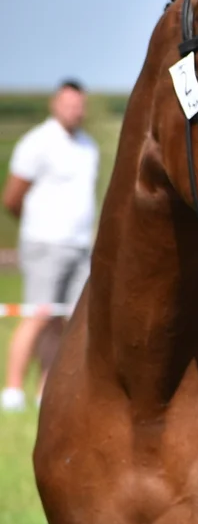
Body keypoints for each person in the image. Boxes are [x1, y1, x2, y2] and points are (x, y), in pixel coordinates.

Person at [1, 80, 99, 412]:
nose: (75, 110)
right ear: (55, 104)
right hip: (44, 244)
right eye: (69, 104)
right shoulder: (37, 143)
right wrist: (37, 227)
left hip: (80, 245)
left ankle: (46, 388)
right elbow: (12, 197)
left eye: (79, 105)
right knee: (38, 315)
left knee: (67, 321)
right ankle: (12, 389)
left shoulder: (88, 146)